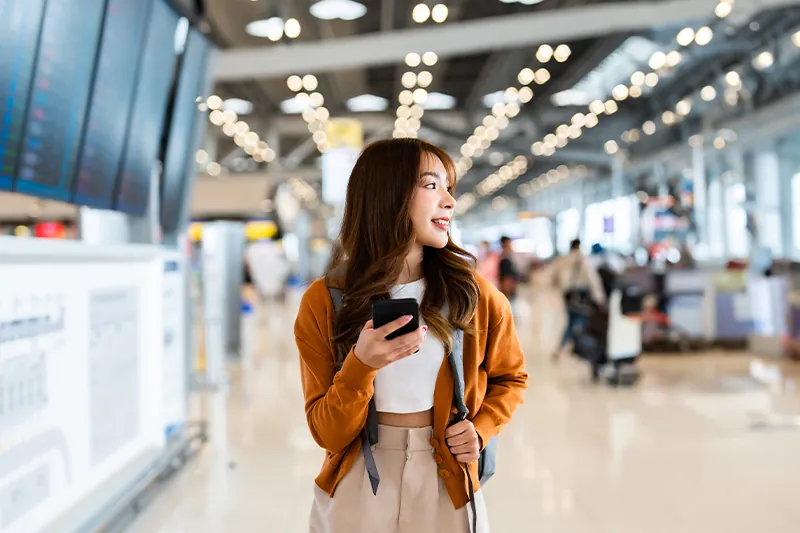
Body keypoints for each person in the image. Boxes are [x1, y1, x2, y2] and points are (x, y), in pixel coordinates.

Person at [294, 139, 528, 533]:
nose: (450, 201)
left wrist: (481, 429)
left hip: (447, 474)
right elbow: (327, 432)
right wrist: (361, 365)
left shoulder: (474, 295)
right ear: (388, 195)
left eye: (449, 188)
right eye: (432, 185)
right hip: (358, 474)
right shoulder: (326, 301)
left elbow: (511, 377)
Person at [552, 238, 606, 361]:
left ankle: (561, 348)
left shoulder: (563, 260)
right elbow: (592, 280)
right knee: (582, 323)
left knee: (570, 323)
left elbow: (555, 278)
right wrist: (599, 298)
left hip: (568, 296)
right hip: (581, 296)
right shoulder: (583, 261)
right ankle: (580, 348)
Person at [497, 236, 518, 301]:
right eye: (509, 242)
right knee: (507, 297)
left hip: (510, 279)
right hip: (507, 279)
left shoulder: (509, 254)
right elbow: (504, 272)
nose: (510, 244)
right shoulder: (503, 256)